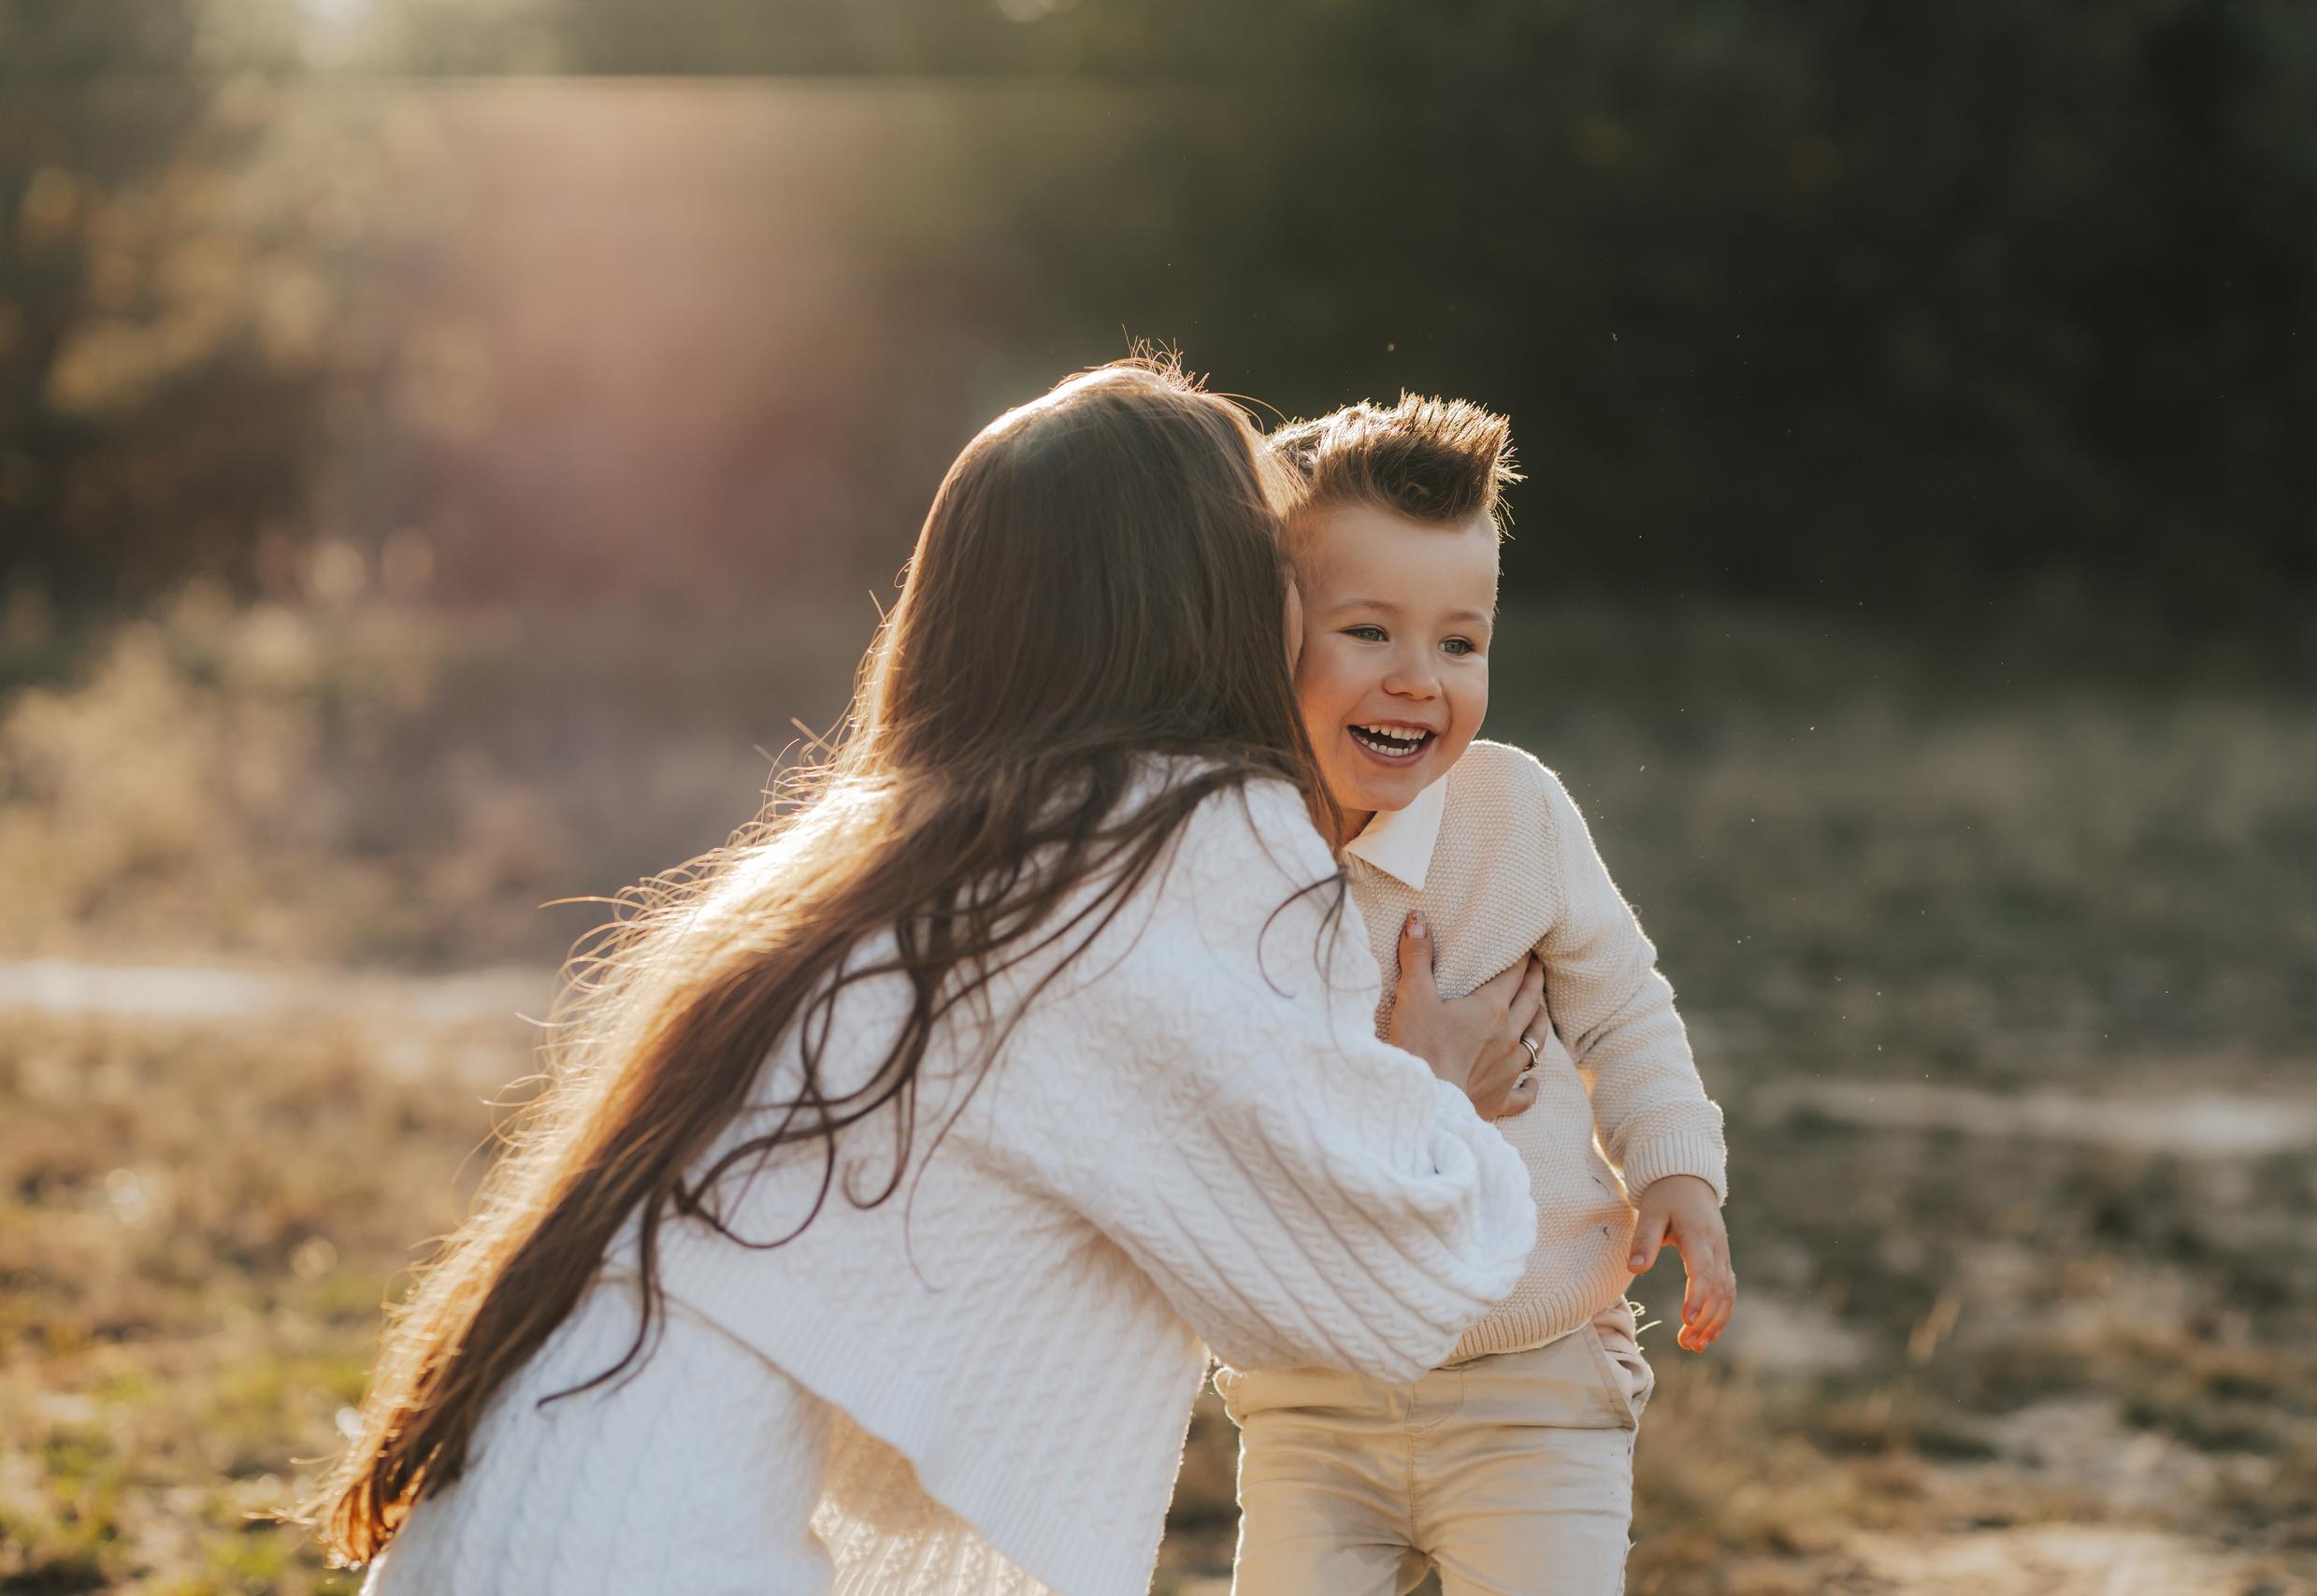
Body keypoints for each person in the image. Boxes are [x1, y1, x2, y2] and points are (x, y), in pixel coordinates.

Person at [309, 359, 1551, 1596]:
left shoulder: (902, 845)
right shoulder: (1171, 837)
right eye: (1283, 570)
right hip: (651, 1545)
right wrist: (1430, 1084)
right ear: (1215, 596)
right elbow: (1385, 1283)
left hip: (492, 1524)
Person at [1216, 395, 1736, 1596]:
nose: (1418, 682)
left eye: (1460, 643)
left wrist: (1670, 1162)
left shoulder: (1516, 815)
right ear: (1268, 631)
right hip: (1314, 1401)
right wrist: (1417, 1071)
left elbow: (1621, 1004)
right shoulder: (1220, 852)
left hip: (1533, 1373)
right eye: (1366, 632)